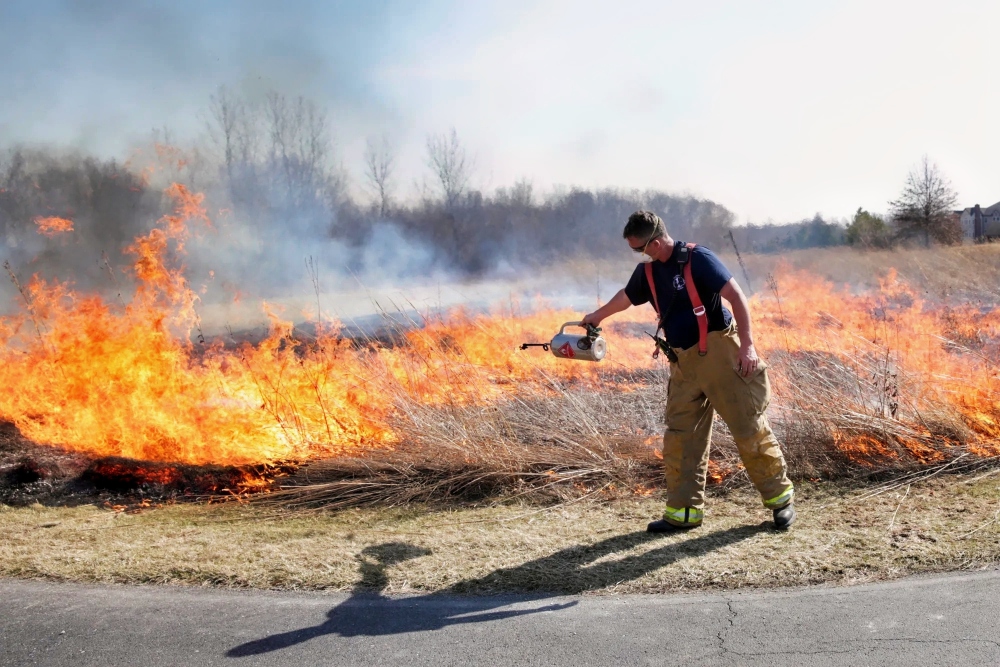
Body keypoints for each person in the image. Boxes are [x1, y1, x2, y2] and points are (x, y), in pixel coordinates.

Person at [582, 211, 796, 531]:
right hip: (683, 362)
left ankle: (780, 500)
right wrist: (596, 317)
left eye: (639, 248)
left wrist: (747, 346)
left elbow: (736, 297)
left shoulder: (698, 259)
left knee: (748, 427)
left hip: (721, 354)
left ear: (654, 243)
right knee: (681, 438)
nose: (639, 255)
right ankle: (684, 513)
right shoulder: (649, 273)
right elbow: (626, 298)